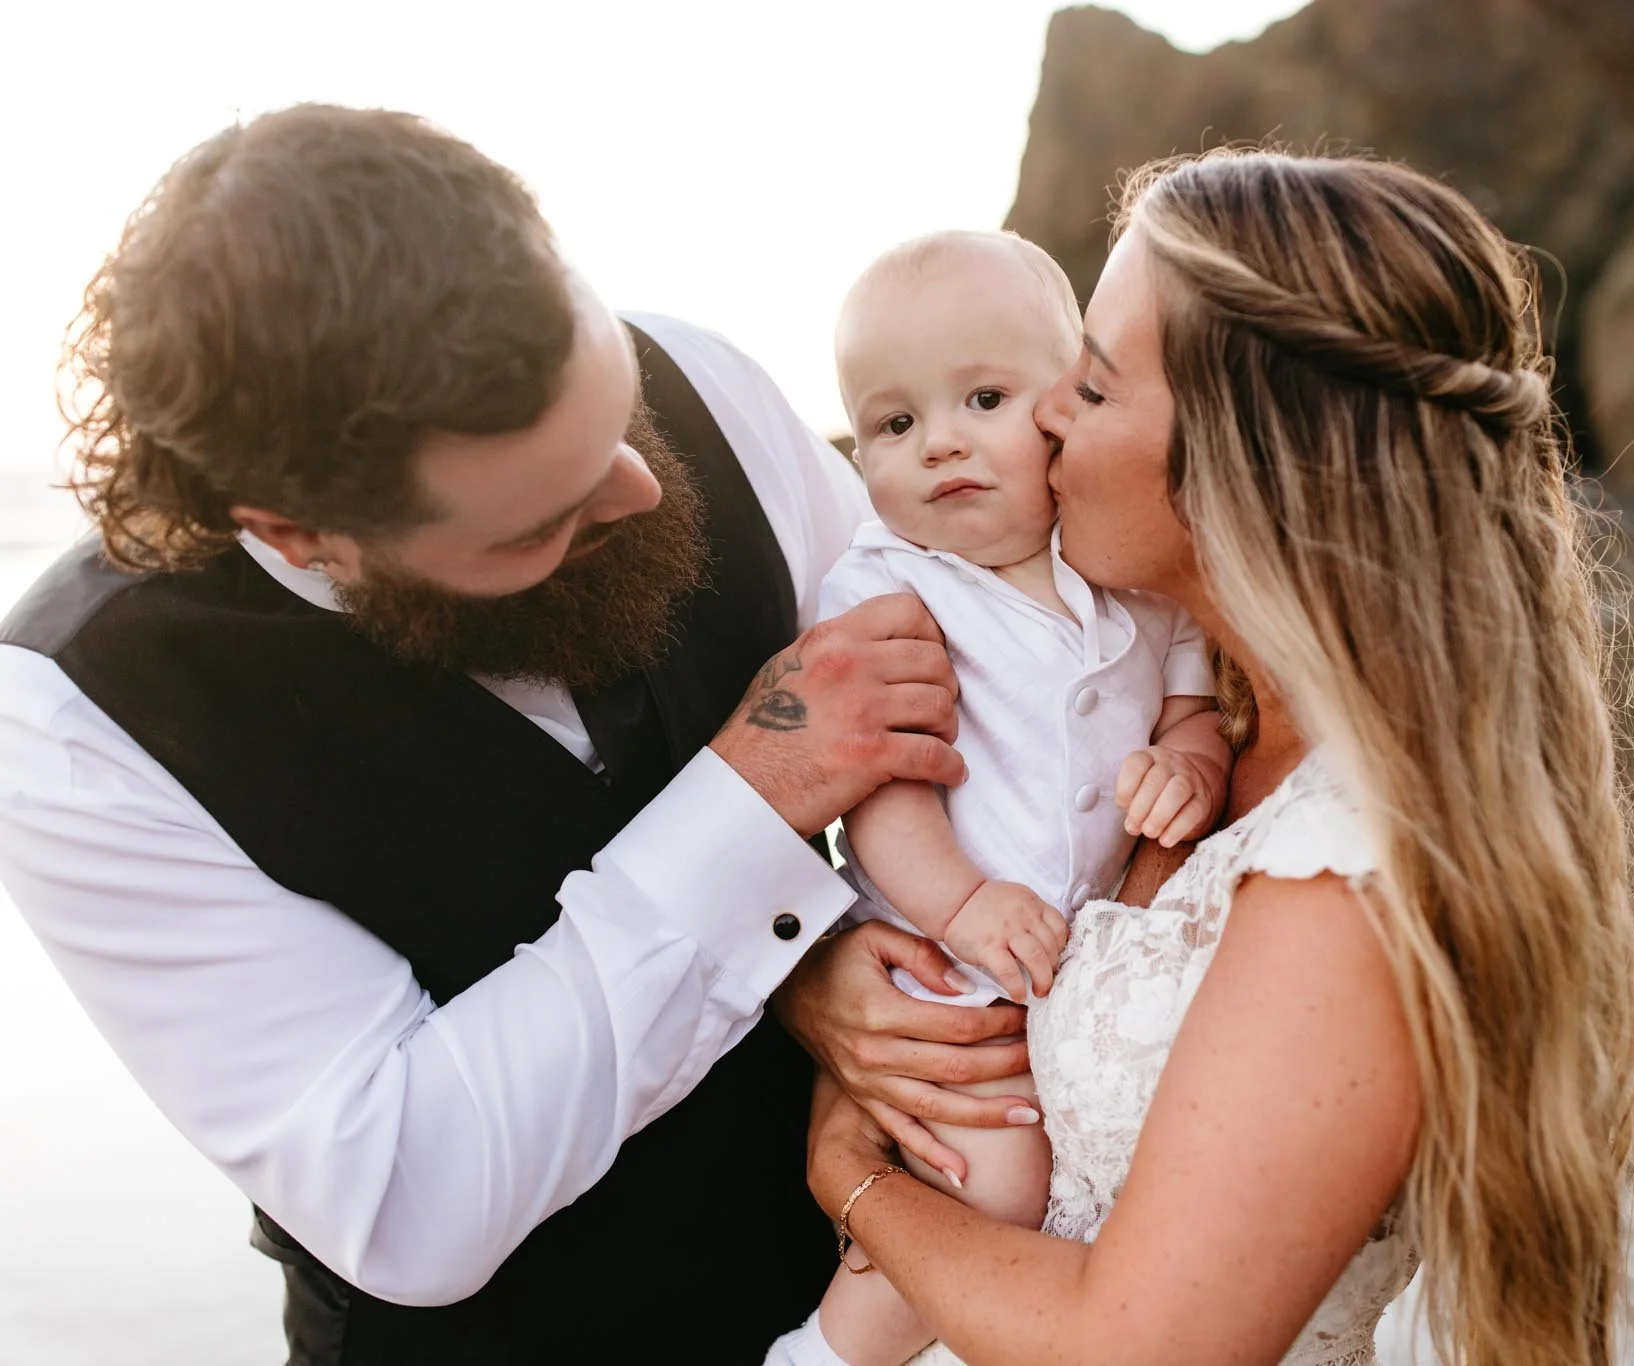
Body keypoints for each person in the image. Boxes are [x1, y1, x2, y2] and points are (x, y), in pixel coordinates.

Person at [0, 104, 1044, 1365]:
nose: (642, 483)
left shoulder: (703, 379)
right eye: (532, 519)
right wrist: (752, 796)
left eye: (615, 408)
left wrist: (815, 962)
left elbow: (995, 723)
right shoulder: (76, 720)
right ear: (296, 530)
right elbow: (407, 1193)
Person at [778, 149, 1634, 1366]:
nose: (1043, 417)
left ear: (1238, 458)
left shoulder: (1349, 874)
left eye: (1088, 391)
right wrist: (831, 988)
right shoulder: (1201, 704)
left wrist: (850, 1177)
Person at [810, 230, 1230, 1364]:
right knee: (985, 1178)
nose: (938, 442)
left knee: (1058, 1177)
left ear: (1063, 405)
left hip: (1065, 953)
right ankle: (825, 1352)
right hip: (938, 944)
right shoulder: (890, 586)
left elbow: (1192, 710)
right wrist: (959, 906)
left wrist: (1186, 764)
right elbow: (882, 792)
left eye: (983, 398)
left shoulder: (1130, 574)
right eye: (892, 425)